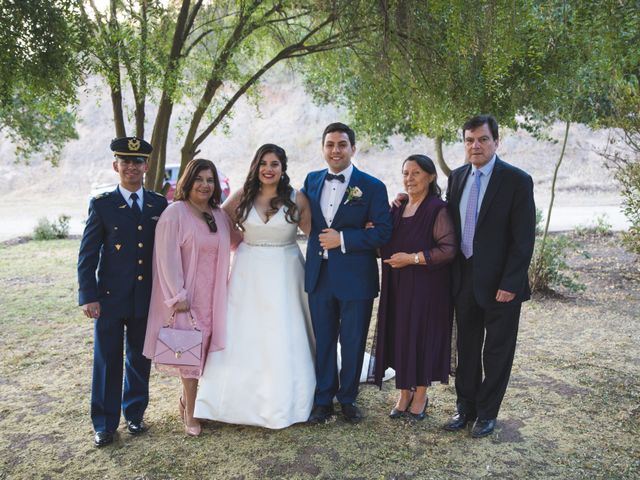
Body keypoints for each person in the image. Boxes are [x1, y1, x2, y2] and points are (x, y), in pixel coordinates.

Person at [194, 143, 316, 429]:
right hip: (248, 271)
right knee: (244, 331)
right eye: (263, 163)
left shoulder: (297, 198)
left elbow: (314, 234)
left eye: (274, 164)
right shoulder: (242, 196)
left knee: (284, 330)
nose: (268, 169)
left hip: (286, 271)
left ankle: (287, 397)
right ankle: (230, 398)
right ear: (255, 166)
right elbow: (217, 220)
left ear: (283, 168)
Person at [443, 115, 536, 438]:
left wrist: (510, 283)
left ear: (497, 141)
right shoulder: (456, 178)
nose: (475, 146)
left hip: (501, 284)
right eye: (469, 140)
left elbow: (523, 239)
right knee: (466, 347)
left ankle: (487, 413)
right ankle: (464, 408)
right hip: (464, 277)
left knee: (497, 351)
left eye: (482, 139)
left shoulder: (516, 180)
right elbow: (446, 223)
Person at [78, 137, 168, 447]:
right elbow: (88, 254)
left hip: (146, 297)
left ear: (146, 166)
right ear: (116, 166)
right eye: (125, 161)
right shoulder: (102, 205)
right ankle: (104, 424)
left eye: (137, 161)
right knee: (108, 360)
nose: (132, 167)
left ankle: (135, 414)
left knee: (139, 358)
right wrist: (88, 295)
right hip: (110, 299)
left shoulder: (159, 204)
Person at [303, 122, 392, 424]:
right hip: (319, 275)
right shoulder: (311, 181)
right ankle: (323, 399)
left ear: (353, 148)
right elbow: (302, 217)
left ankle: (348, 398)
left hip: (356, 277)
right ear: (323, 148)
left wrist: (342, 239)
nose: (335, 150)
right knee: (323, 339)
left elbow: (382, 232)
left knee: (352, 340)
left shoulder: (372, 186)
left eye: (342, 144)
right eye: (330, 144)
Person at [142, 158, 237, 436]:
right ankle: (191, 411)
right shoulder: (175, 213)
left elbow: (236, 242)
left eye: (210, 180)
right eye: (199, 179)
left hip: (214, 296)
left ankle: (192, 402)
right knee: (189, 354)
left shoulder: (218, 215)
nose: (205, 185)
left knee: (207, 351)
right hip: (187, 298)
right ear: (187, 180)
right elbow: (166, 256)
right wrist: (177, 294)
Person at [371, 155, 456, 420]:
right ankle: (403, 393)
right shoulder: (397, 208)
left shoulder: (437, 209)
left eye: (416, 173)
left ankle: (420, 394)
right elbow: (382, 246)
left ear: (430, 177)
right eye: (405, 173)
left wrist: (411, 259)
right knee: (400, 336)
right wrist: (372, 228)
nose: (409, 178)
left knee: (421, 336)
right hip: (396, 286)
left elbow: (448, 249)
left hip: (427, 287)